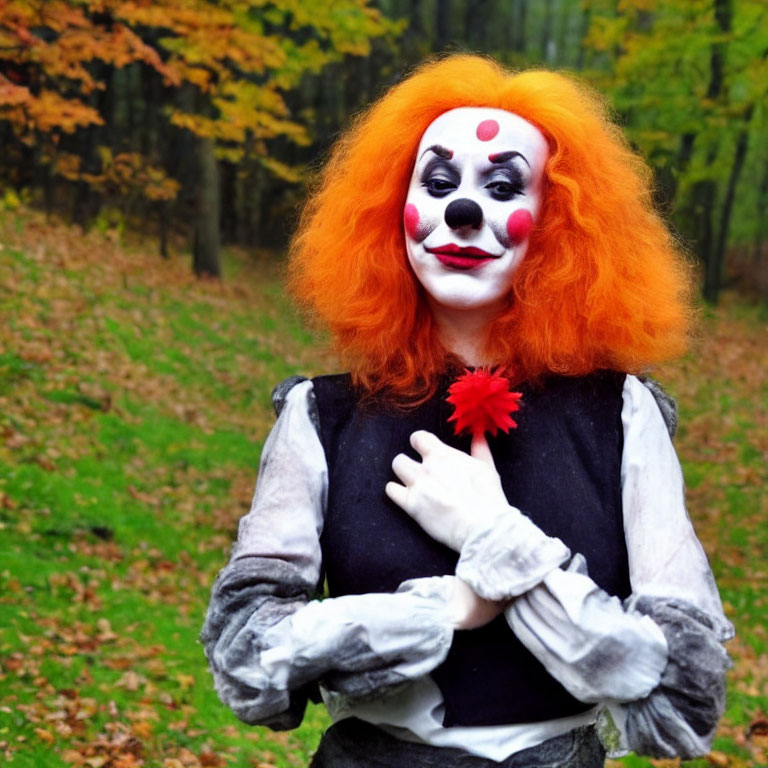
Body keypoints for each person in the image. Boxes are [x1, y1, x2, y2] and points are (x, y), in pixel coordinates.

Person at [201, 55, 733, 767]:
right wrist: (441, 612)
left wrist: (497, 541)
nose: (463, 210)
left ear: (559, 221)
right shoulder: (320, 417)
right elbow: (244, 659)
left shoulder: (623, 417)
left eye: (505, 185)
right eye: (441, 182)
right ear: (394, 205)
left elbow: (683, 703)